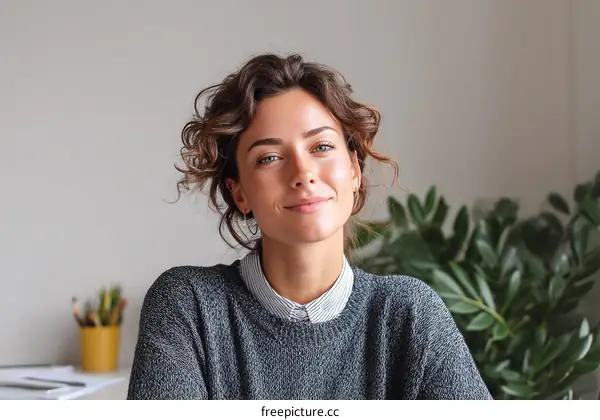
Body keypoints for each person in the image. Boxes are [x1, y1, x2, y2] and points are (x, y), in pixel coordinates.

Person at [127, 53, 492, 400]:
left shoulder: (408, 314)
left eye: (321, 147)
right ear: (239, 193)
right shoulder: (188, 305)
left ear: (353, 170)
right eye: (269, 157)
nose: (303, 174)